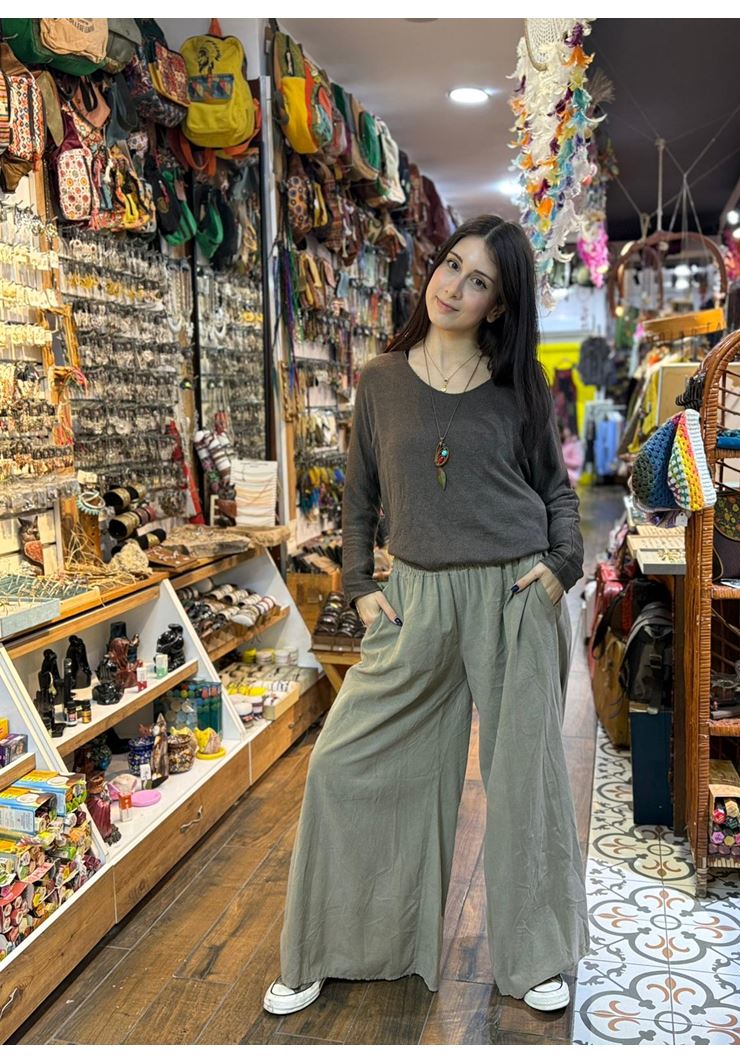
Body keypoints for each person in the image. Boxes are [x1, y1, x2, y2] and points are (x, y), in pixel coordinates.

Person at [264, 215, 589, 1017]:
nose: (454, 287)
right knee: (345, 761)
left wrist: (561, 570)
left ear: (498, 305)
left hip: (514, 593)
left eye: (480, 282)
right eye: (451, 266)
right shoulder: (380, 379)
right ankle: (338, 943)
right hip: (414, 597)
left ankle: (535, 954)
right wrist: (358, 586)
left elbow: (554, 490)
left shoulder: (519, 384)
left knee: (525, 779)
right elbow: (359, 497)